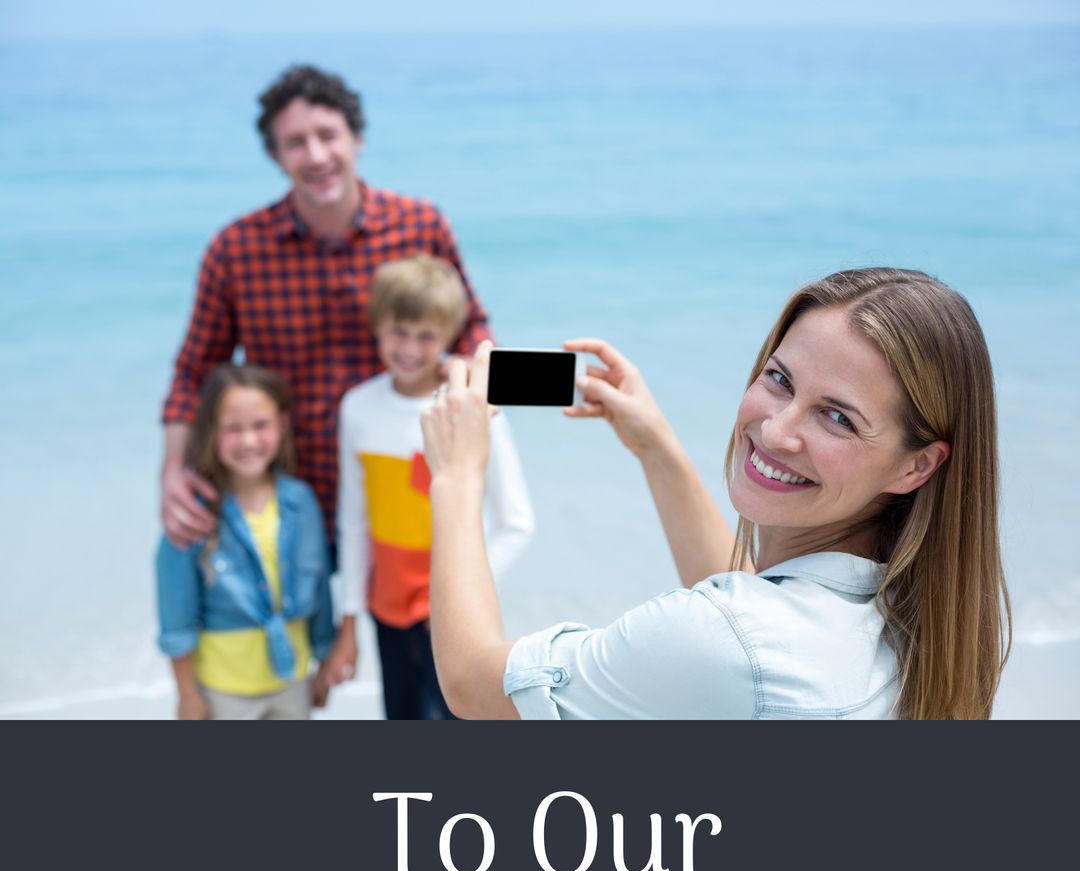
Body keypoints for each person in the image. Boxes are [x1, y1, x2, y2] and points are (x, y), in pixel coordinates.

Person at [419, 268, 1011, 721]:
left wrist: (456, 474)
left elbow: (473, 683)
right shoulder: (916, 625)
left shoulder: (723, 643)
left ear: (916, 466)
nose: (777, 431)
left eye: (837, 418)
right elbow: (753, 623)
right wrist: (657, 450)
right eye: (779, 380)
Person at [160, 64, 493, 549]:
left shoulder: (420, 226)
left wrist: (473, 395)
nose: (316, 155)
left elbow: (471, 331)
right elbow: (195, 371)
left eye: (328, 135)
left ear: (356, 138)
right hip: (289, 495)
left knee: (419, 625)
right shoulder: (235, 249)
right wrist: (172, 471)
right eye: (296, 143)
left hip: (401, 483)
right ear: (276, 156)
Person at [322, 255, 534, 719]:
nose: (410, 347)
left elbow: (517, 523)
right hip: (387, 608)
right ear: (377, 327)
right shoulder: (357, 407)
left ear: (448, 335)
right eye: (398, 331)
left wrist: (458, 590)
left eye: (426, 335)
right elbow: (355, 521)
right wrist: (350, 617)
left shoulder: (472, 409)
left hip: (454, 614)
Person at [156, 365, 335, 720]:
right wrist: (188, 695)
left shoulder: (301, 501)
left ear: (282, 424)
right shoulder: (192, 515)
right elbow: (175, 617)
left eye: (260, 425)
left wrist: (324, 660)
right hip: (223, 691)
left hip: (293, 681)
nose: (248, 440)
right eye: (232, 428)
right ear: (209, 431)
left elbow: (320, 593)